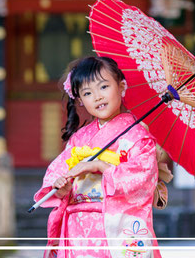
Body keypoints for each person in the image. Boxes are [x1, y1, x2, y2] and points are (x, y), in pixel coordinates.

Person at [33, 56, 162, 258]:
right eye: (87, 93)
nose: (97, 96)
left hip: (117, 226)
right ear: (80, 101)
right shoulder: (78, 139)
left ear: (121, 86)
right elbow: (58, 176)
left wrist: (102, 167)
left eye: (103, 87)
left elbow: (143, 177)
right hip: (79, 229)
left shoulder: (138, 137)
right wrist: (61, 187)